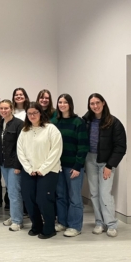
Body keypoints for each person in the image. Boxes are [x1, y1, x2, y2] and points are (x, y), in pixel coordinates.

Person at [17, 102, 63, 239]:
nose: (32, 115)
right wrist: (29, 168)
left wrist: (43, 169)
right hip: (29, 171)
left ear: (40, 113)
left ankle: (49, 228)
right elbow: (20, 152)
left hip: (49, 171)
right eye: (29, 113)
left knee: (43, 199)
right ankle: (36, 226)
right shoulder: (24, 131)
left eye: (35, 113)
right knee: (29, 199)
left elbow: (56, 151)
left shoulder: (51, 129)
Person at [83, 93, 126, 238]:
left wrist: (110, 165)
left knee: (104, 193)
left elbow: (120, 147)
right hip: (90, 160)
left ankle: (111, 224)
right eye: (92, 103)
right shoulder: (86, 121)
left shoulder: (114, 122)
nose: (95, 106)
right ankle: (99, 222)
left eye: (97, 103)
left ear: (103, 103)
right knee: (94, 193)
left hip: (106, 162)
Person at [51, 94, 89, 237]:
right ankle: (62, 222)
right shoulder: (54, 122)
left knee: (75, 197)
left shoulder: (78, 122)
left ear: (70, 104)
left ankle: (75, 226)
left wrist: (78, 166)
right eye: (60, 102)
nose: (62, 104)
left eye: (65, 102)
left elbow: (83, 146)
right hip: (58, 166)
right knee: (61, 196)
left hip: (73, 166)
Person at [0, 99, 24, 231]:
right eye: (1, 108)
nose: (3, 110)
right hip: (4, 163)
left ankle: (17, 221)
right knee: (9, 191)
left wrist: (18, 166)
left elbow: (21, 146)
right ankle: (13, 216)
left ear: (11, 108)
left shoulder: (19, 124)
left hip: (14, 164)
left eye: (6, 108)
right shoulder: (0, 124)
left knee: (14, 192)